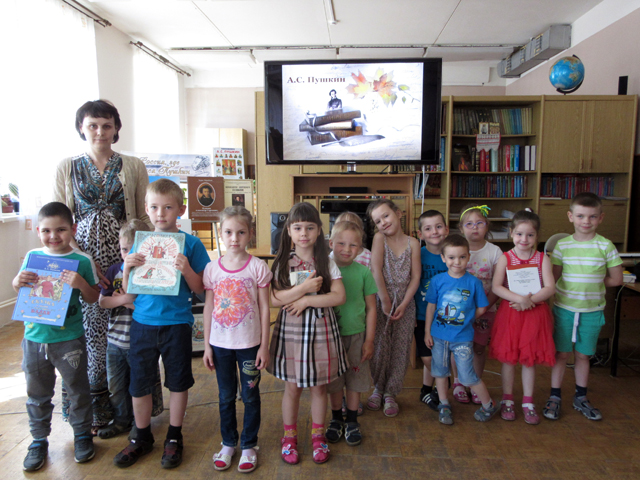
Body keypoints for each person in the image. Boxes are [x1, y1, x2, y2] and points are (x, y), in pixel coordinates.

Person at [54, 99, 150, 433]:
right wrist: (83, 260)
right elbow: (60, 219)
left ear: (116, 129)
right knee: (91, 334)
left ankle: (131, 408)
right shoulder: (67, 167)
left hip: (125, 258)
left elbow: (141, 217)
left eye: (107, 125)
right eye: (93, 125)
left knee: (128, 329)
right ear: (82, 128)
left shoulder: (133, 165)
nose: (100, 131)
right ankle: (94, 412)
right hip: (82, 260)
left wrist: (137, 259)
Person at [114, 179, 210, 468]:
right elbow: (129, 294)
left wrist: (187, 270)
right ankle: (141, 436)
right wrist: (127, 269)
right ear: (146, 208)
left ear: (180, 209)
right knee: (139, 381)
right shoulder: (141, 242)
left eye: (168, 207)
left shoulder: (191, 244)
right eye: (154, 207)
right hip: (142, 323)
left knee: (178, 382)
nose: (160, 213)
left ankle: (174, 436)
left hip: (176, 323)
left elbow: (202, 290)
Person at [12, 202, 99, 471]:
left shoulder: (82, 261)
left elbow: (93, 297)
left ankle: (82, 435)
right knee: (37, 393)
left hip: (69, 339)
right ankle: (38, 440)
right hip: (34, 338)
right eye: (47, 231)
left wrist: (80, 283)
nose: (54, 236)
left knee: (77, 391)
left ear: (73, 229)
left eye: (61, 229)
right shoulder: (33, 256)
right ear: (38, 231)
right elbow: (20, 288)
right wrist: (17, 281)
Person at [267, 202, 347, 465]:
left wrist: (307, 301)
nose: (304, 233)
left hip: (320, 329)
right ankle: (289, 438)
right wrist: (302, 290)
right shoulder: (282, 262)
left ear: (319, 230)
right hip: (291, 331)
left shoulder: (327, 261)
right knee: (292, 387)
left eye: (310, 227)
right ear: (289, 231)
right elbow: (273, 299)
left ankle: (318, 436)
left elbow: (339, 296)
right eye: (298, 227)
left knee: (319, 387)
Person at [202, 207, 272, 473]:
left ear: (250, 234)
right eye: (229, 232)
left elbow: (265, 307)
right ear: (220, 234)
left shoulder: (258, 267)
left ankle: (249, 445)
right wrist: (207, 345)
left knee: (250, 397)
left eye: (241, 232)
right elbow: (209, 308)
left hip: (250, 346)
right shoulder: (212, 269)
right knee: (225, 397)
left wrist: (264, 346)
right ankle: (228, 443)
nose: (234, 238)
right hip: (220, 346)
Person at [544, 192, 623, 421]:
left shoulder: (606, 246)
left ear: (601, 218)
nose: (586, 221)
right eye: (580, 216)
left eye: (592, 216)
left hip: (592, 311)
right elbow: (553, 279)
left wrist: (593, 282)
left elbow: (617, 279)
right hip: (564, 309)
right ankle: (555, 396)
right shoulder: (562, 246)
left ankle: (581, 396)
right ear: (571, 216)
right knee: (561, 354)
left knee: (583, 355)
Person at [96, 219, 164, 440]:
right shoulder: (114, 270)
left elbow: (150, 308)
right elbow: (103, 302)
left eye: (134, 249)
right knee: (116, 385)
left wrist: (128, 302)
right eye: (125, 249)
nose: (129, 255)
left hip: (142, 341)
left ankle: (139, 423)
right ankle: (121, 420)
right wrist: (125, 300)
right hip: (115, 341)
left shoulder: (154, 274)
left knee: (141, 384)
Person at [490, 209, 556, 425]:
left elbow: (550, 287)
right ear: (511, 233)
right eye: (519, 234)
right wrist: (519, 299)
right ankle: (507, 399)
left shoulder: (542, 258)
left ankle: (528, 401)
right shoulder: (505, 258)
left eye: (530, 235)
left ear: (537, 236)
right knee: (508, 359)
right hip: (511, 314)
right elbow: (496, 286)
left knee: (529, 360)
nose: (524, 239)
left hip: (534, 315)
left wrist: (530, 301)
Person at [424, 234, 497, 425]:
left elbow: (482, 307)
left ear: (468, 257)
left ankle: (488, 405)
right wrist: (427, 332)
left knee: (467, 377)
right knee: (440, 373)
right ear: (443, 258)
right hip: (438, 337)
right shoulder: (437, 280)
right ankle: (444, 404)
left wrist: (468, 319)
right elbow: (431, 307)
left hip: (463, 338)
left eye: (462, 257)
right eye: (451, 257)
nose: (457, 262)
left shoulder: (473, 282)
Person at [366, 199, 421, 417]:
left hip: (405, 302)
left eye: (386, 216)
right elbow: (375, 270)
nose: (383, 223)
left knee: (400, 349)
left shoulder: (413, 243)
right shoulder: (379, 239)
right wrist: (385, 300)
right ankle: (378, 389)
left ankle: (391, 392)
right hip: (382, 300)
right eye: (378, 221)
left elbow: (415, 277)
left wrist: (405, 303)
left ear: (398, 213)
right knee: (380, 347)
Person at [325, 221, 377, 446]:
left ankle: (353, 420)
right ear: (331, 243)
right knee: (335, 383)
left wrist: (369, 340)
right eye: (341, 243)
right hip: (330, 337)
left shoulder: (364, 272)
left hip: (357, 336)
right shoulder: (324, 270)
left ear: (360, 249)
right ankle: (336, 418)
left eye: (353, 245)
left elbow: (372, 308)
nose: (347, 249)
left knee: (355, 380)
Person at [455, 204, 501, 404]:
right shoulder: (456, 249)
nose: (474, 227)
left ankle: (475, 382)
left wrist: (483, 309)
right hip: (459, 310)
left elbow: (498, 285)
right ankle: (458, 382)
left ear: (487, 226)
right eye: (469, 224)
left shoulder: (495, 251)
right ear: (461, 228)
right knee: (458, 346)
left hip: (486, 310)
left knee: (479, 347)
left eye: (479, 223)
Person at [414, 210, 449, 410]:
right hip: (421, 315)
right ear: (420, 234)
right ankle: (445, 382)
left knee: (441, 356)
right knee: (428, 357)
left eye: (438, 226)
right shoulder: (418, 255)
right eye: (428, 228)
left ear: (446, 229)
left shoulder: (451, 254)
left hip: (447, 318)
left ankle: (428, 390)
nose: (434, 231)